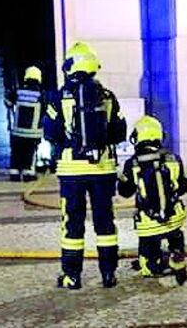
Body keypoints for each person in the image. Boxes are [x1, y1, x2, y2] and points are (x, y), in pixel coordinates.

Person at [44, 42, 127, 289]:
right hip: (103, 170)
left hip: (71, 172)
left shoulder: (59, 98)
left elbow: (50, 132)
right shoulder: (108, 96)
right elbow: (119, 132)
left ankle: (72, 276)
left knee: (72, 223)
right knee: (105, 223)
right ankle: (108, 274)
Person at [117, 115, 187, 285]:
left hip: (148, 223)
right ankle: (176, 254)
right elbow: (181, 188)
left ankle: (152, 264)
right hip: (175, 218)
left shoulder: (133, 163)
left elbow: (124, 192)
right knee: (176, 235)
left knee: (148, 261)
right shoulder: (173, 158)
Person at [4, 65, 46, 182]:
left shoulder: (18, 91)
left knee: (16, 151)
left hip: (18, 130)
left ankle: (14, 173)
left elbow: (7, 102)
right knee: (30, 152)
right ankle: (28, 173)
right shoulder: (41, 94)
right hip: (33, 132)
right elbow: (47, 109)